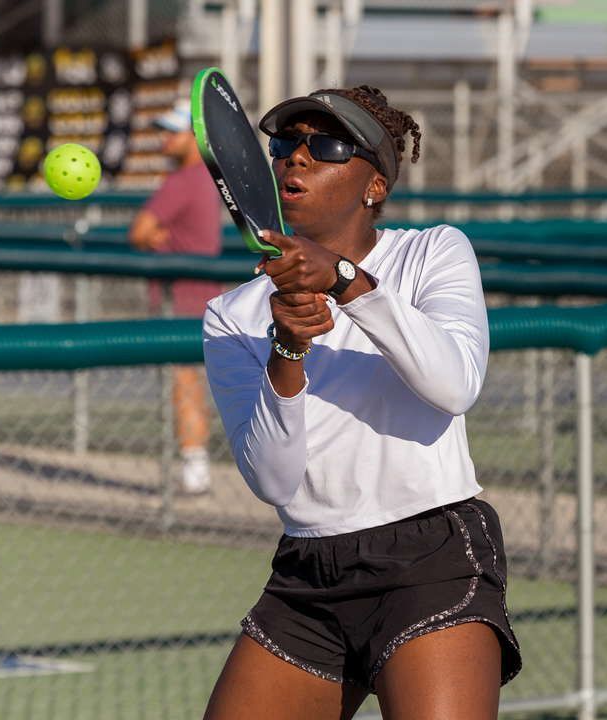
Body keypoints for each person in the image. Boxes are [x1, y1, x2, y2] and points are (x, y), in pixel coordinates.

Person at [201, 85, 521, 719]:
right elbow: (274, 479)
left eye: (326, 145)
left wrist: (346, 281)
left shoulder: (433, 252)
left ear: (374, 185)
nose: (297, 156)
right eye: (287, 144)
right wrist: (287, 348)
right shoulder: (230, 315)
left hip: (429, 556)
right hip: (307, 572)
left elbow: (455, 385)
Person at [129, 98, 223, 494]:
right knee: (194, 383)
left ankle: (194, 466)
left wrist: (156, 237)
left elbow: (139, 232)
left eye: (173, 131)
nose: (164, 139)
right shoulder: (203, 177)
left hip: (183, 299)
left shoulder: (183, 179)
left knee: (185, 383)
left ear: (194, 136)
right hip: (201, 298)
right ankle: (196, 463)